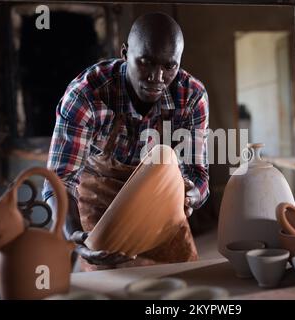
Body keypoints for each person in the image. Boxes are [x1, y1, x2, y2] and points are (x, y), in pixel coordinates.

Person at [43, 12, 209, 271]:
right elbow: (58, 181)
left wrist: (187, 193)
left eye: (169, 66)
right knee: (111, 290)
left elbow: (198, 174)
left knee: (183, 286)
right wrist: (74, 234)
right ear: (125, 53)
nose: (157, 77)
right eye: (145, 62)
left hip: (160, 208)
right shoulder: (87, 95)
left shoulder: (191, 96)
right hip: (100, 214)